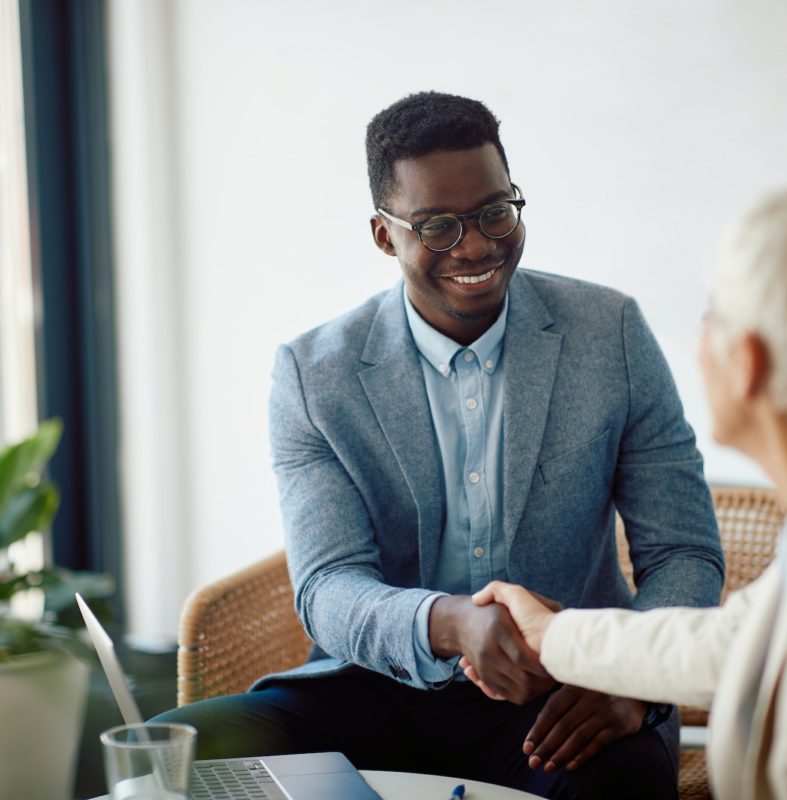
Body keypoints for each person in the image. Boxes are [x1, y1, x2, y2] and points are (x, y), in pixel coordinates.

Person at [155, 91, 724, 798]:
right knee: (176, 755)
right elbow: (328, 587)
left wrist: (632, 679)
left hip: (561, 692)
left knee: (625, 780)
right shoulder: (314, 375)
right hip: (373, 688)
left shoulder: (609, 336)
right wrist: (447, 625)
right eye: (438, 226)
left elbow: (685, 552)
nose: (479, 245)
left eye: (495, 212)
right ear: (383, 234)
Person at [460, 186, 787, 800]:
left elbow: (696, 571)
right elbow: (739, 642)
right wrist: (558, 639)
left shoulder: (607, 328)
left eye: (709, 317)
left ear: (745, 361)